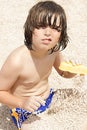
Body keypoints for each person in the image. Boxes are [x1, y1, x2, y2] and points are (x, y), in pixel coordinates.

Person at [0, 1, 77, 130]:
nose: (48, 33)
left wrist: (72, 72)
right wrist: (22, 102)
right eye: (41, 26)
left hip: (49, 97)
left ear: (61, 34)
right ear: (30, 29)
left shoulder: (53, 51)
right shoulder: (17, 60)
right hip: (25, 108)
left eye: (55, 28)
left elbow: (63, 73)